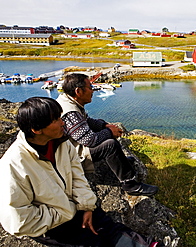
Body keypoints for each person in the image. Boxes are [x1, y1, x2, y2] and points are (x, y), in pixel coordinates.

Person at [0, 97, 162, 247]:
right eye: (56, 119)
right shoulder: (14, 164)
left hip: (75, 206)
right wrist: (69, 211)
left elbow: (77, 175)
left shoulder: (60, 142)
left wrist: (86, 206)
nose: (63, 123)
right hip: (51, 225)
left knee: (109, 228)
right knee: (93, 242)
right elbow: (19, 220)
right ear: (36, 129)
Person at [56, 73, 158, 196]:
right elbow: (89, 140)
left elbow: (87, 121)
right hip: (71, 155)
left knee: (106, 137)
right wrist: (110, 131)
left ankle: (121, 163)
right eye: (90, 87)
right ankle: (130, 184)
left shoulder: (69, 101)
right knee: (110, 145)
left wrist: (104, 125)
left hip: (71, 147)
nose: (92, 91)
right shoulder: (69, 112)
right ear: (78, 91)